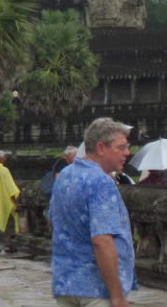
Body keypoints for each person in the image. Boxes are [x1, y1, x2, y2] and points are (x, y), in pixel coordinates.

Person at [51, 117, 136, 306]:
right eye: (121, 147)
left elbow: (53, 222)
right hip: (95, 287)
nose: (127, 153)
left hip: (66, 283)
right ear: (101, 148)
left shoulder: (65, 175)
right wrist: (117, 295)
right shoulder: (100, 182)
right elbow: (102, 240)